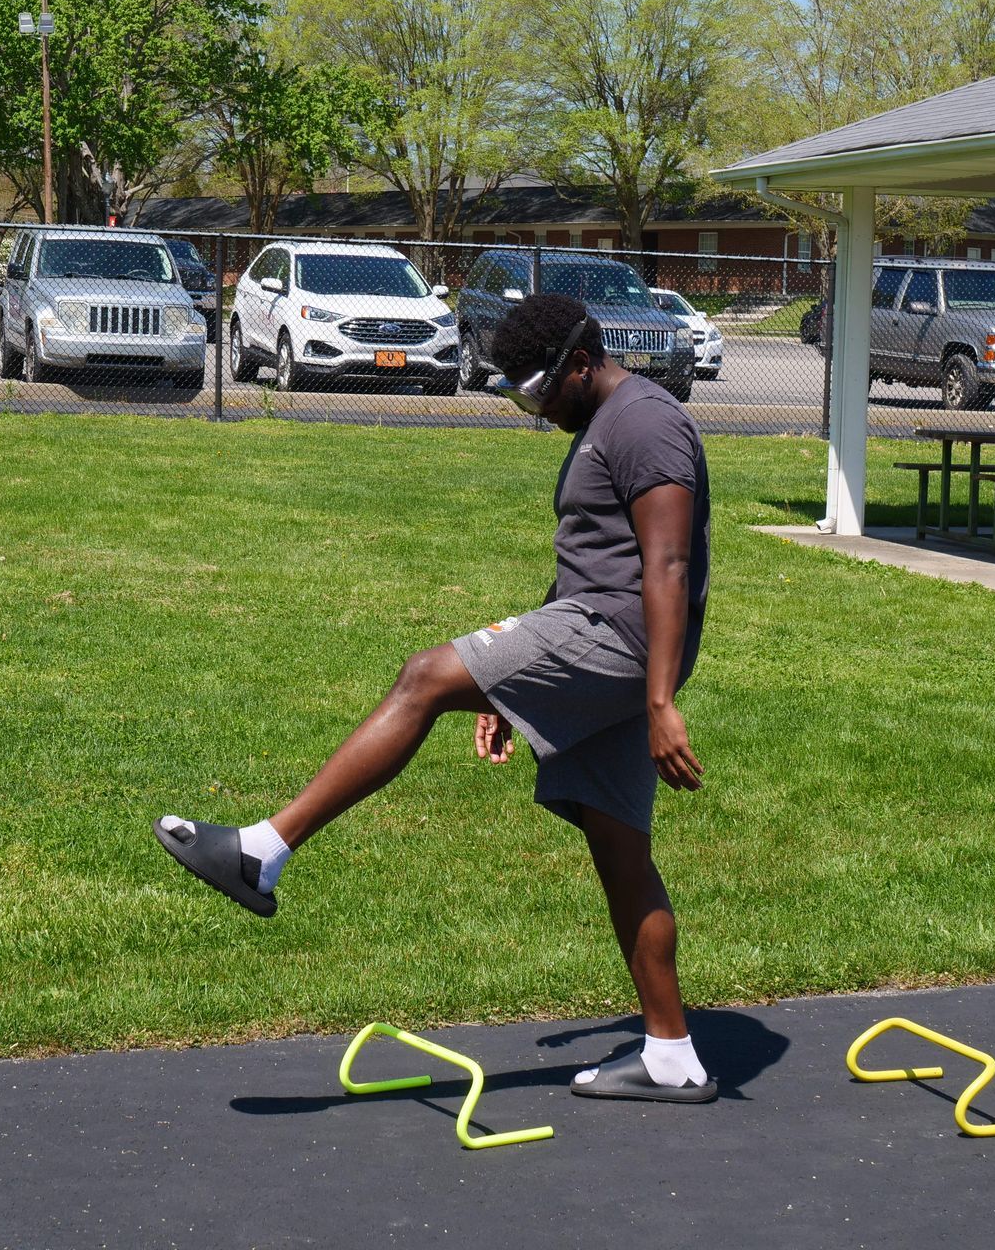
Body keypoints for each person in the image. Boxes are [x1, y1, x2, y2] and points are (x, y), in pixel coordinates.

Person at [156, 292, 715, 1103]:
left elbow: (665, 568)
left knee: (422, 676)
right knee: (620, 851)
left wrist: (660, 700)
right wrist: (509, 686)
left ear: (583, 365)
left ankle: (260, 852)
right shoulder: (603, 422)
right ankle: (672, 1055)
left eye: (538, 393)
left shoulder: (647, 425)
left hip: (622, 644)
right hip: (596, 634)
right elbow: (590, 560)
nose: (535, 411)